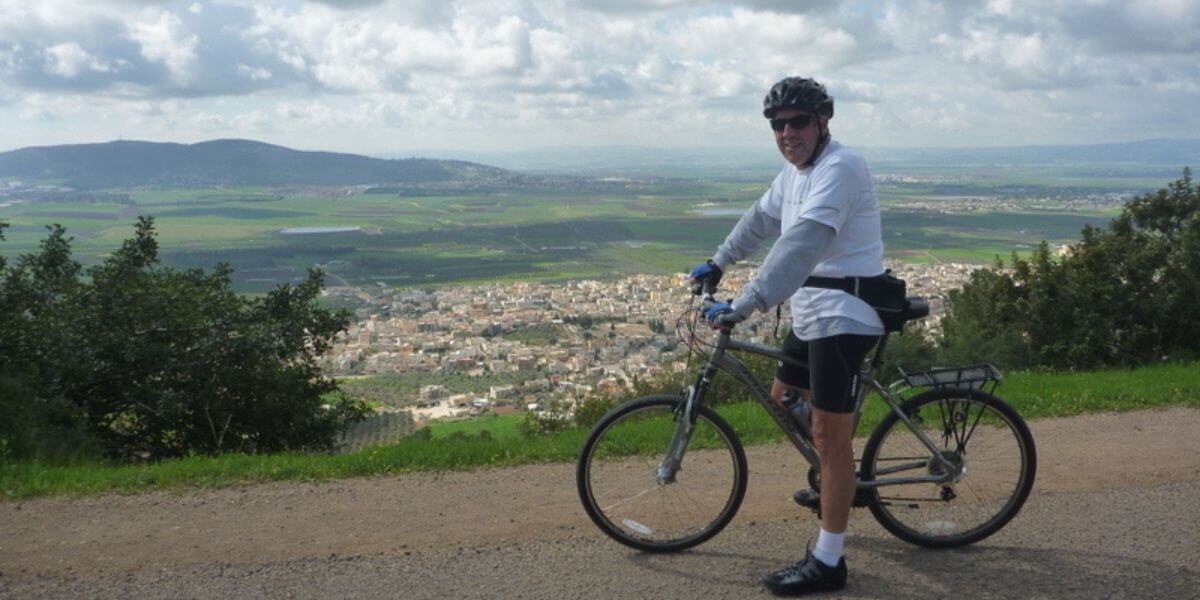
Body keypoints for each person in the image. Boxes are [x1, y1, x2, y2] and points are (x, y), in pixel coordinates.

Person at [690, 76, 885, 596]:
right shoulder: (793, 173)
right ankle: (837, 479)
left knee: (828, 433)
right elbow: (759, 220)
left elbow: (799, 247)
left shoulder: (839, 168)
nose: (787, 132)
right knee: (782, 400)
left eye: (798, 121)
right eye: (778, 124)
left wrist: (745, 303)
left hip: (847, 311)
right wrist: (718, 260)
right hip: (811, 310)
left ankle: (828, 561)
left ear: (823, 123)